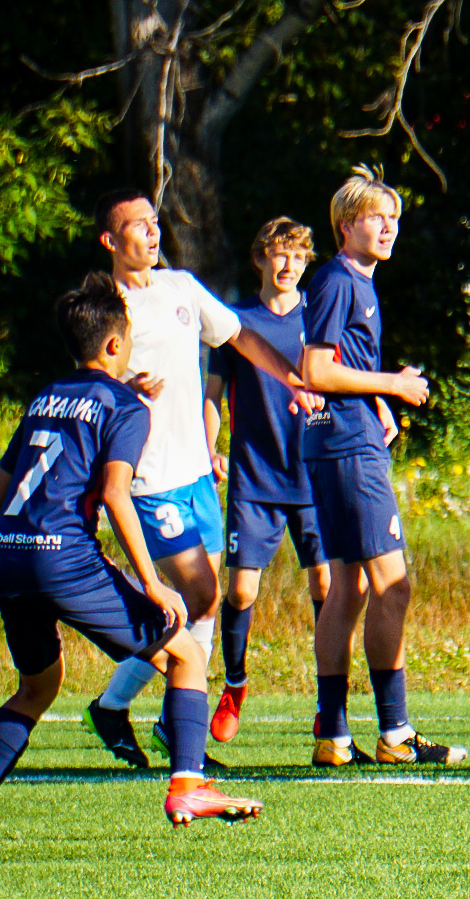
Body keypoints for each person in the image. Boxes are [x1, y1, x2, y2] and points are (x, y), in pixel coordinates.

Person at [0, 273, 261, 841]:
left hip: (10, 557)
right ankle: (189, 784)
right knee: (186, 651)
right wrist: (152, 583)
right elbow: (116, 494)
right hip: (65, 559)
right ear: (115, 345)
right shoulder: (125, 404)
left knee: (37, 688)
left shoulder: (44, 398)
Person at [82, 190, 315, 768]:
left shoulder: (181, 287)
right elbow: (85, 385)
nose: (153, 233)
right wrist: (120, 394)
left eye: (155, 223)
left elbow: (237, 335)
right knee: (201, 596)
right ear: (112, 241)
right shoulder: (101, 304)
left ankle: (156, 720)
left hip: (195, 472)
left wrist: (292, 379)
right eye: (139, 226)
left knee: (200, 608)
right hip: (147, 479)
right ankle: (129, 710)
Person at [302, 165, 465, 765]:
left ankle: (334, 735)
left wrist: (375, 401)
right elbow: (315, 370)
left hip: (342, 439)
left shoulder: (357, 282)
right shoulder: (339, 281)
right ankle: (394, 733)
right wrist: (391, 386)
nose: (390, 227)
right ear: (346, 225)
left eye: (395, 219)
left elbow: (338, 363)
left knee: (346, 589)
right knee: (393, 587)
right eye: (378, 217)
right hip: (347, 448)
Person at [202, 217, 334, 745]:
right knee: (239, 590)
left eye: (298, 257)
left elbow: (342, 379)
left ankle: (331, 704)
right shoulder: (237, 324)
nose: (288, 265)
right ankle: (234, 683)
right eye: (279, 255)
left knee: (327, 586)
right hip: (255, 478)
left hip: (315, 476)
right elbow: (212, 395)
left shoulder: (317, 319)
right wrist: (207, 446)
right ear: (260, 258)